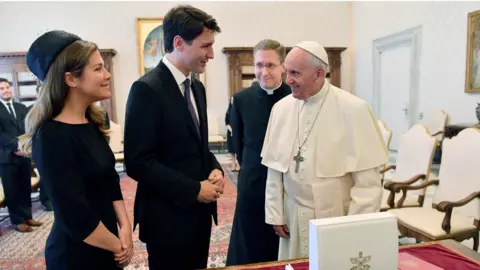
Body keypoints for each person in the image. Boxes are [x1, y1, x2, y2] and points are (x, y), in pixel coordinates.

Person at [261, 41, 388, 260]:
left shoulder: (353, 109)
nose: (287, 79)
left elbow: (368, 185)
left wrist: (353, 228)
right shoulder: (281, 108)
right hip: (293, 214)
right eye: (286, 71)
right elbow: (274, 169)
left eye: (295, 73)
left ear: (319, 73)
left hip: (336, 218)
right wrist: (276, 214)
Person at [19, 30, 133, 269]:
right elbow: (75, 215)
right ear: (71, 79)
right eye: (98, 69)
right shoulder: (51, 137)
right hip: (76, 256)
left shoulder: (92, 123)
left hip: (107, 243)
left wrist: (125, 227)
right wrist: (118, 246)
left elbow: (110, 181)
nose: (107, 75)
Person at [123, 5, 224, 270]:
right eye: (205, 46)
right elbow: (138, 163)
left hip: (199, 216)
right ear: (179, 43)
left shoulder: (197, 87)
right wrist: (193, 190)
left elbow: (198, 147)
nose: (211, 54)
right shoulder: (146, 89)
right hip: (167, 219)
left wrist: (214, 168)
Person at [226, 39, 291, 266]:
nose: (264, 71)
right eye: (259, 65)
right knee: (249, 238)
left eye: (270, 65)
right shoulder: (242, 99)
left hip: (286, 178)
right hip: (252, 179)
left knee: (282, 236)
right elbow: (239, 142)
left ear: (283, 65)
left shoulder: (295, 97)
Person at [0, 78, 43, 232]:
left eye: (7, 87)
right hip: (6, 157)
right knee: (12, 189)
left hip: (23, 154)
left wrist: (25, 146)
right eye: (2, 88)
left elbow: (28, 128)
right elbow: (1, 134)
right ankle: (17, 221)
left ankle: (27, 217)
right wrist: (16, 146)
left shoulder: (21, 107)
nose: (5, 90)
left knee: (25, 187)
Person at [225, 97, 239, 171]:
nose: (233, 101)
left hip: (238, 132)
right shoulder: (228, 111)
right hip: (230, 133)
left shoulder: (239, 110)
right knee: (232, 150)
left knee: (238, 149)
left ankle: (238, 164)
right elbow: (227, 123)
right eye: (232, 100)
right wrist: (232, 131)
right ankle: (233, 164)